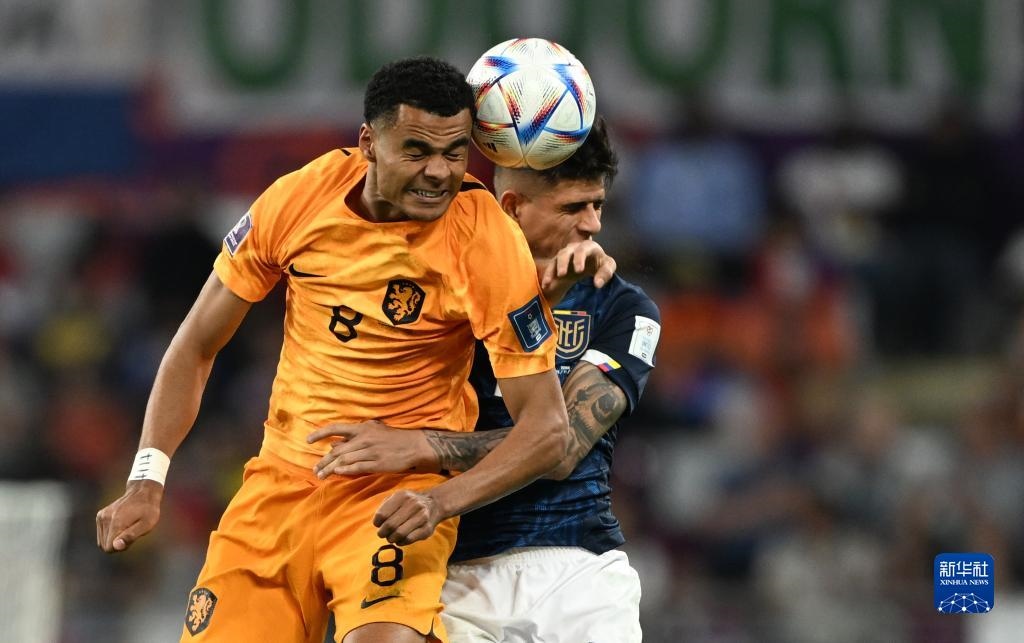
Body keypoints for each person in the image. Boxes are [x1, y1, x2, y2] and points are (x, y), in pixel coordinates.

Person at [95, 56, 573, 643]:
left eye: (454, 153)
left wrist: (440, 499)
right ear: (369, 143)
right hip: (279, 487)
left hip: (393, 497)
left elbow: (548, 430)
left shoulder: (486, 241)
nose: (439, 172)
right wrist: (147, 478)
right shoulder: (298, 200)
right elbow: (195, 345)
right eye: (416, 151)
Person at [311, 116, 660, 642]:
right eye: (573, 208)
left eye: (598, 205)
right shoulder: (441, 299)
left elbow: (561, 446)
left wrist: (421, 447)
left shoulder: (625, 308)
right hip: (450, 571)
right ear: (513, 207)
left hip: (578, 569)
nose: (592, 225)